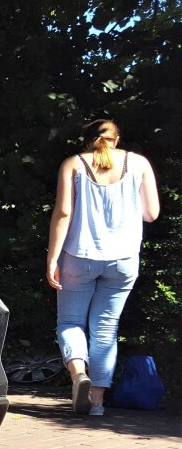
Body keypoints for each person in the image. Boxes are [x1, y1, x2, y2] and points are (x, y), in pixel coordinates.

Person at [46, 119, 160, 416]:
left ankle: (78, 375)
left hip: (79, 256)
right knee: (106, 330)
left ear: (86, 140)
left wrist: (52, 259)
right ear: (117, 138)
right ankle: (96, 403)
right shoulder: (139, 164)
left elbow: (63, 214)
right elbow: (151, 214)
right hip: (123, 259)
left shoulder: (73, 164)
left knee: (70, 322)